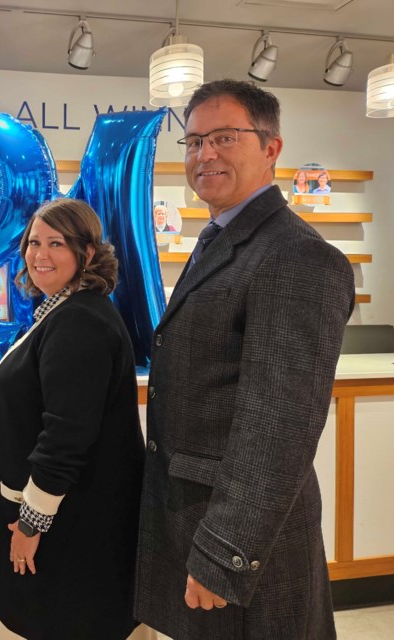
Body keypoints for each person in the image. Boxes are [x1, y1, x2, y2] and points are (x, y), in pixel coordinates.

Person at [133, 79, 354, 639]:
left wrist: (223, 554)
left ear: (271, 148)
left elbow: (280, 424)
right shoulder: (223, 239)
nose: (205, 153)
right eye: (193, 141)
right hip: (197, 517)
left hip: (244, 551)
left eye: (225, 137)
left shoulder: (296, 256)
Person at [0, 198, 145, 640]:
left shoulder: (81, 323)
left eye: (56, 243)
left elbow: (66, 438)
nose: (40, 254)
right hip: (71, 516)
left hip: (74, 523)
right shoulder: (66, 311)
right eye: (34, 242)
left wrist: (29, 524)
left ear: (87, 253)